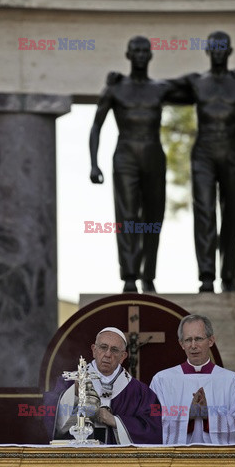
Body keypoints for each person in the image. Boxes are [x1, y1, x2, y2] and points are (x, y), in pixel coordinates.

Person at [89, 35, 191, 293]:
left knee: (153, 218)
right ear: (128, 55)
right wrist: (94, 163)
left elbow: (196, 88)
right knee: (127, 217)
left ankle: (149, 275)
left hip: (153, 155)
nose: (141, 55)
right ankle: (129, 276)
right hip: (125, 155)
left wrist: (222, 76)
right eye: (136, 51)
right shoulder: (115, 88)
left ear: (151, 55)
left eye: (145, 51)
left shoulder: (160, 88)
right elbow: (96, 126)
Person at [169, 31, 235, 292]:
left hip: (232, 153)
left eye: (222, 47)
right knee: (204, 213)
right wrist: (123, 80)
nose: (217, 52)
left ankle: (229, 277)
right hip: (203, 152)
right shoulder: (196, 82)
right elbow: (160, 87)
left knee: (232, 214)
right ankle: (206, 276)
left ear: (229, 51)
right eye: (213, 47)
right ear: (207, 51)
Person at [43, 327, 162, 444]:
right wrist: (73, 394)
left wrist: (116, 421)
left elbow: (153, 431)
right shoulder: (71, 382)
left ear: (123, 357)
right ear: (94, 350)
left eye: (114, 350)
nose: (108, 354)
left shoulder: (140, 392)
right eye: (103, 347)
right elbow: (51, 417)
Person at [150, 314, 235, 444]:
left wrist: (209, 417)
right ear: (181, 344)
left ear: (211, 340)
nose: (193, 345)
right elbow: (151, 419)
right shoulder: (162, 380)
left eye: (199, 339)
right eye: (188, 340)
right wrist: (188, 416)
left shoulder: (233, 381)